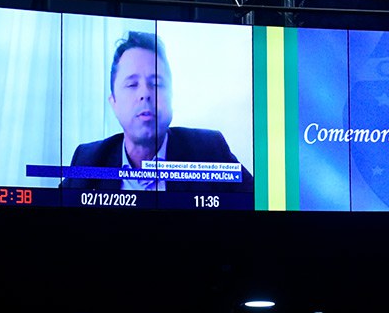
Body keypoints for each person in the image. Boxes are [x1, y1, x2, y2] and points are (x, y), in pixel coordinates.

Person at [62, 30, 253, 194]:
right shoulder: (89, 160)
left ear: (172, 97)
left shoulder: (209, 150)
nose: (145, 94)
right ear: (114, 102)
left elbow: (262, 202)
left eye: (157, 83)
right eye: (132, 84)